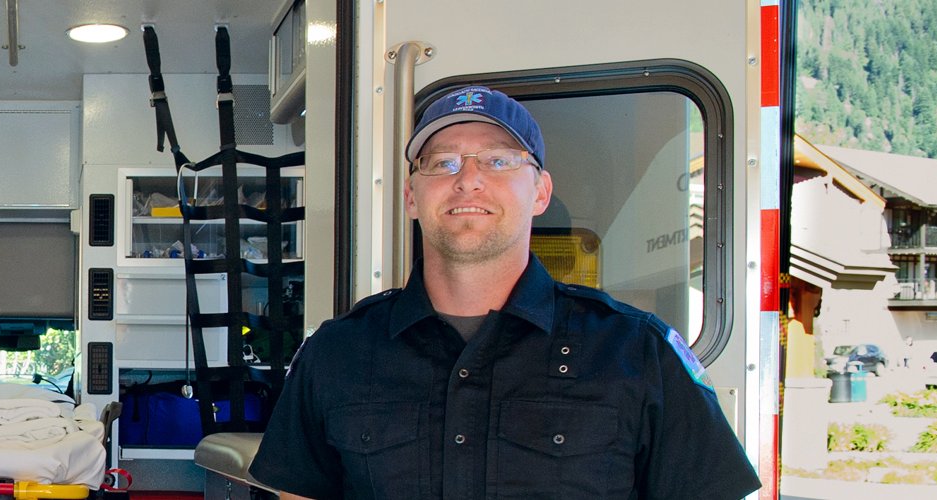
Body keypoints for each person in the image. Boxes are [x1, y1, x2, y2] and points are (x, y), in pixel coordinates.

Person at [248, 86, 759, 499]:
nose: (468, 180)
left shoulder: (639, 353)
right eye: (443, 163)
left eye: (498, 161)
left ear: (540, 192)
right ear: (410, 195)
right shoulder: (337, 353)